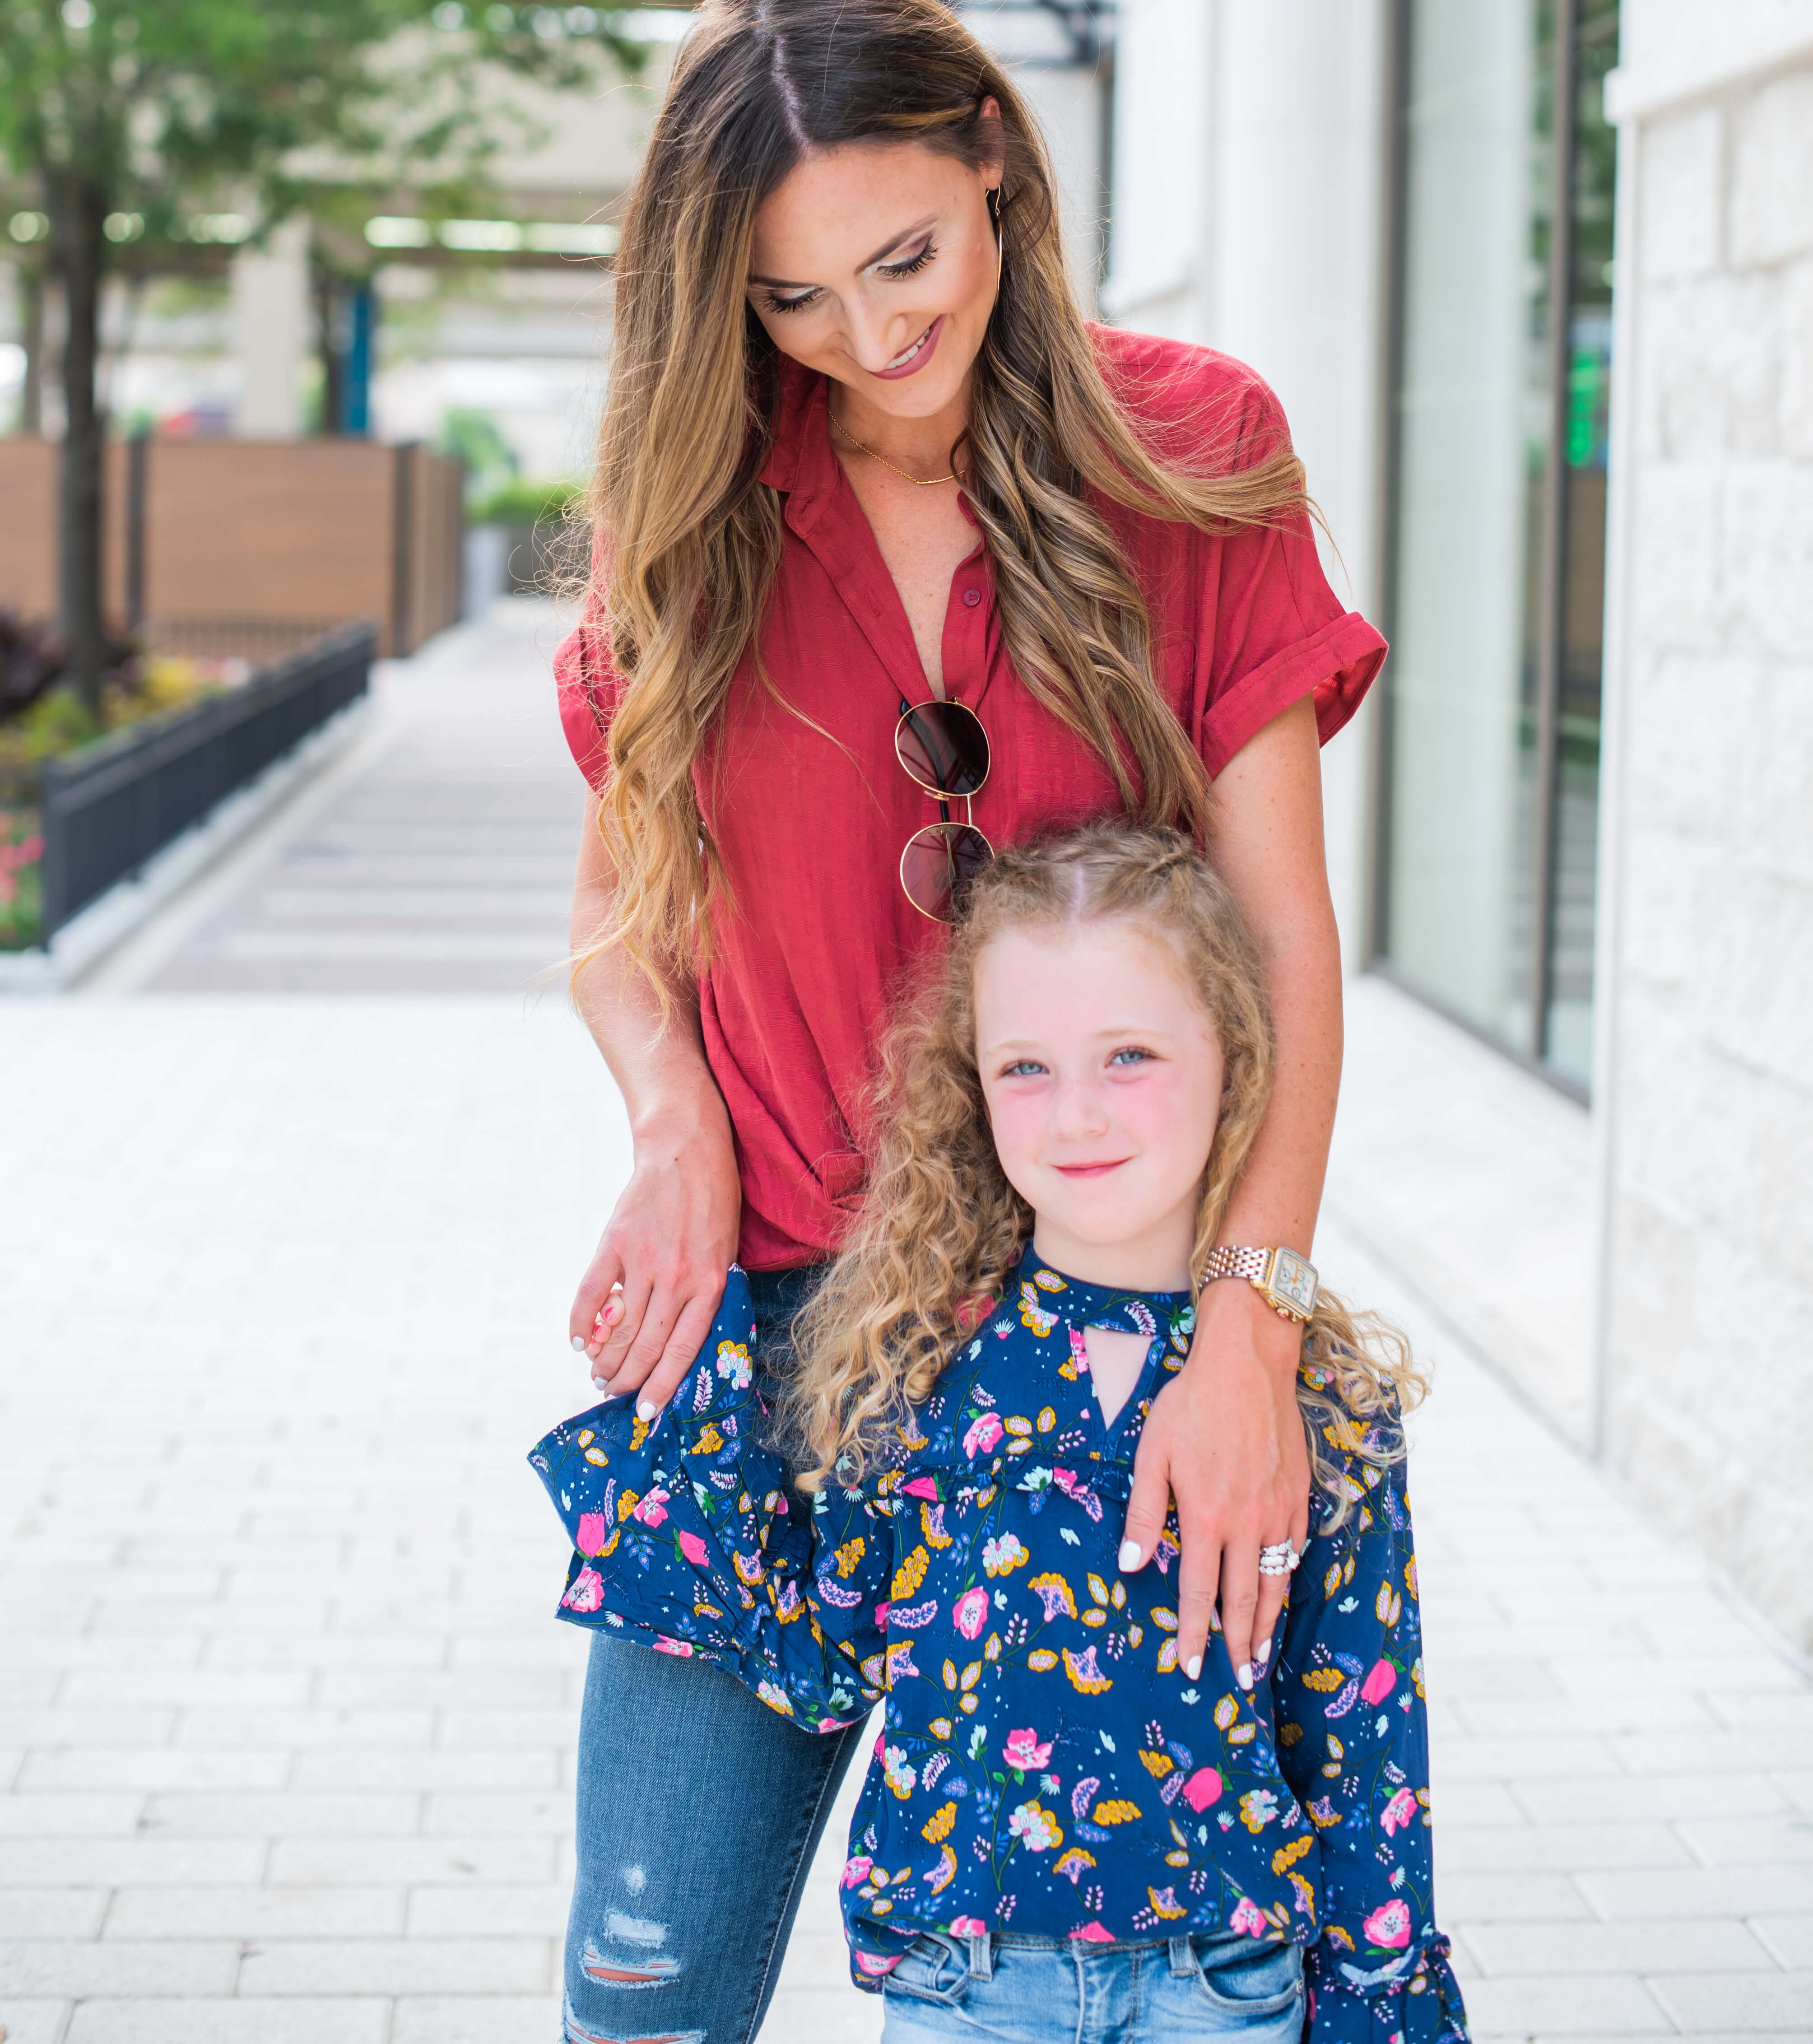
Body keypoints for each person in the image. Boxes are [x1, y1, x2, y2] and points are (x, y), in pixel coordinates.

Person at [553, 0, 1386, 2041]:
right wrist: (671, 1119)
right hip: (760, 1353)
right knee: (640, 1991)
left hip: (1107, 1363)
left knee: (1096, 2000)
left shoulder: (1194, 448)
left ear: (993, 154)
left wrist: (1249, 1327)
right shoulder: (695, 508)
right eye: (791, 297)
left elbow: (1284, 939)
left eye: (902, 257)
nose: (866, 334)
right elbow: (615, 911)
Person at [535, 822, 1466, 2043]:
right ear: (970, 1083)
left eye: (1129, 1056)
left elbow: (1365, 1753)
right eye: (1026, 1067)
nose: (1076, 1115)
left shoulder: (1308, 1404)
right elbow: (826, 1657)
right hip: (964, 1993)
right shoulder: (913, 1371)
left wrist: (1382, 2006)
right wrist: (688, 1437)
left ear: (1237, 1057)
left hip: (1226, 1989)